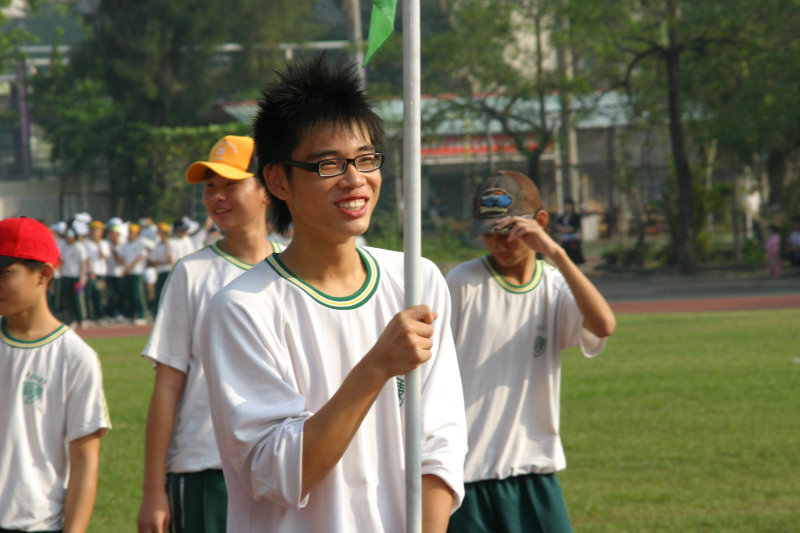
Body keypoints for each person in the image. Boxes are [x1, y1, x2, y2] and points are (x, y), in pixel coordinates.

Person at [196, 56, 467, 533]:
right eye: (328, 164)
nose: (355, 179)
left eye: (366, 159)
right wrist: (376, 367)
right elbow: (278, 473)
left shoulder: (416, 280)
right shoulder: (242, 308)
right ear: (278, 180)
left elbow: (440, 443)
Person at [446, 170, 616, 533]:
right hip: (465, 473)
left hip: (533, 468)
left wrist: (556, 253)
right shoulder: (462, 283)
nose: (499, 244)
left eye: (509, 231)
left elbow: (603, 325)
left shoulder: (554, 286)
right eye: (488, 234)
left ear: (539, 222)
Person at [137, 135, 282, 533]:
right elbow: (167, 387)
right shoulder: (191, 273)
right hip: (204, 472)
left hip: (281, 466)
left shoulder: (295, 268)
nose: (217, 197)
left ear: (268, 188)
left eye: (231, 184)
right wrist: (153, 491)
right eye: (210, 186)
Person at [0, 217, 111, 532]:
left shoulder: (75, 358)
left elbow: (85, 463)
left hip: (35, 523)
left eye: (4, 273)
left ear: (44, 274)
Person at [120, 222, 149, 324]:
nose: (130, 234)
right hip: (128, 273)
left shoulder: (140, 243)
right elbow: (123, 258)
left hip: (137, 272)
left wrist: (130, 267)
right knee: (129, 295)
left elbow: (139, 257)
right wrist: (125, 268)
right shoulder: (126, 244)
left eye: (132, 232)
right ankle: (130, 315)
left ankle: (142, 315)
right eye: (129, 232)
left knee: (138, 294)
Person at [147, 222, 175, 319]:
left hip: (169, 272)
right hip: (160, 272)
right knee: (158, 293)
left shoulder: (171, 243)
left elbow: (171, 260)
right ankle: (157, 315)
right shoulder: (157, 245)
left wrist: (166, 258)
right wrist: (164, 262)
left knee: (169, 294)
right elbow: (152, 261)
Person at [85, 220, 110, 325]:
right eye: (93, 230)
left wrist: (99, 246)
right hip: (90, 273)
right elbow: (87, 258)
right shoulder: (86, 243)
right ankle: (89, 316)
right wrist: (91, 272)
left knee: (99, 295)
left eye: (97, 231)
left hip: (100, 274)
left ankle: (100, 316)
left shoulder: (104, 243)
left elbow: (104, 256)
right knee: (88, 295)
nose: (95, 233)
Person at [555, 198, 585, 265]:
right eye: (566, 205)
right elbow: (558, 227)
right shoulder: (562, 217)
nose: (568, 207)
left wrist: (564, 229)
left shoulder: (575, 217)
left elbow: (573, 228)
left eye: (569, 205)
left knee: (574, 259)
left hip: (573, 240)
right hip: (565, 240)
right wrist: (565, 229)